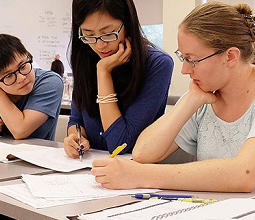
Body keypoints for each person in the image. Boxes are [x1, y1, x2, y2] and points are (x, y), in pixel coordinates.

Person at [91, 2, 255, 193]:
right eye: (182, 58)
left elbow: (245, 174)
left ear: (231, 56)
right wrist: (190, 100)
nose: (185, 70)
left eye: (192, 60)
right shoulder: (203, 96)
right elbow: (143, 153)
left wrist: (141, 175)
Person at [63, 0, 173, 158]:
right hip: (87, 169)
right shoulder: (86, 59)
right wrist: (75, 138)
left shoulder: (158, 64)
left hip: (134, 172)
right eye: (88, 35)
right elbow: (76, 119)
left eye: (108, 34)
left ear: (127, 23)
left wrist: (103, 72)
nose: (99, 45)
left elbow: (120, 144)